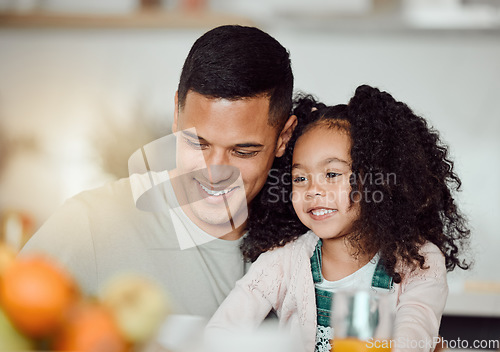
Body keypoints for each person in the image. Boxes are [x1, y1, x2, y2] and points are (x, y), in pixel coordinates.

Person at [20, 25, 297, 319]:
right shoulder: (90, 224)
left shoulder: (305, 241)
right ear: (177, 116)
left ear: (283, 137)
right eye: (198, 143)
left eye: (243, 151)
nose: (215, 173)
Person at [206, 85, 471, 352]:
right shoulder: (282, 262)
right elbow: (220, 334)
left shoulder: (417, 260)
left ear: (377, 179)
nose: (313, 190)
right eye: (300, 178)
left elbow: (413, 336)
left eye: (332, 174)